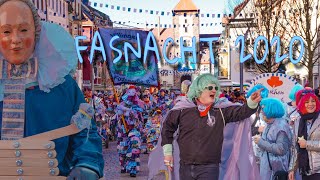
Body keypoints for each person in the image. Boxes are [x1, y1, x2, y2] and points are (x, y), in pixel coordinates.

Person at [0, 0, 104, 179]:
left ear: (36, 32)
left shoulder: (61, 85)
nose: (15, 40)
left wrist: (87, 165)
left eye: (24, 30)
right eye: (6, 31)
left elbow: (85, 131)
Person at [161, 73, 262, 180]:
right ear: (199, 90)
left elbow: (242, 112)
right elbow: (167, 128)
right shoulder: (182, 109)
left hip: (210, 167)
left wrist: (252, 102)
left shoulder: (221, 110)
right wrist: (168, 153)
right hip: (185, 166)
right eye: (210, 87)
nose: (214, 90)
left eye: (216, 88)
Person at [253, 98, 292, 180]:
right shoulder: (269, 123)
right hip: (268, 169)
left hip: (275, 170)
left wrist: (261, 142)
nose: (261, 112)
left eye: (263, 109)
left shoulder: (281, 126)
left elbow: (281, 149)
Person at [289, 89, 320, 180]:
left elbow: (303, 144)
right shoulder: (298, 121)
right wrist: (292, 169)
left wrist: (307, 144)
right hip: (305, 170)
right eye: (306, 102)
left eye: (313, 101)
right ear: (301, 104)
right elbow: (295, 148)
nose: (310, 104)